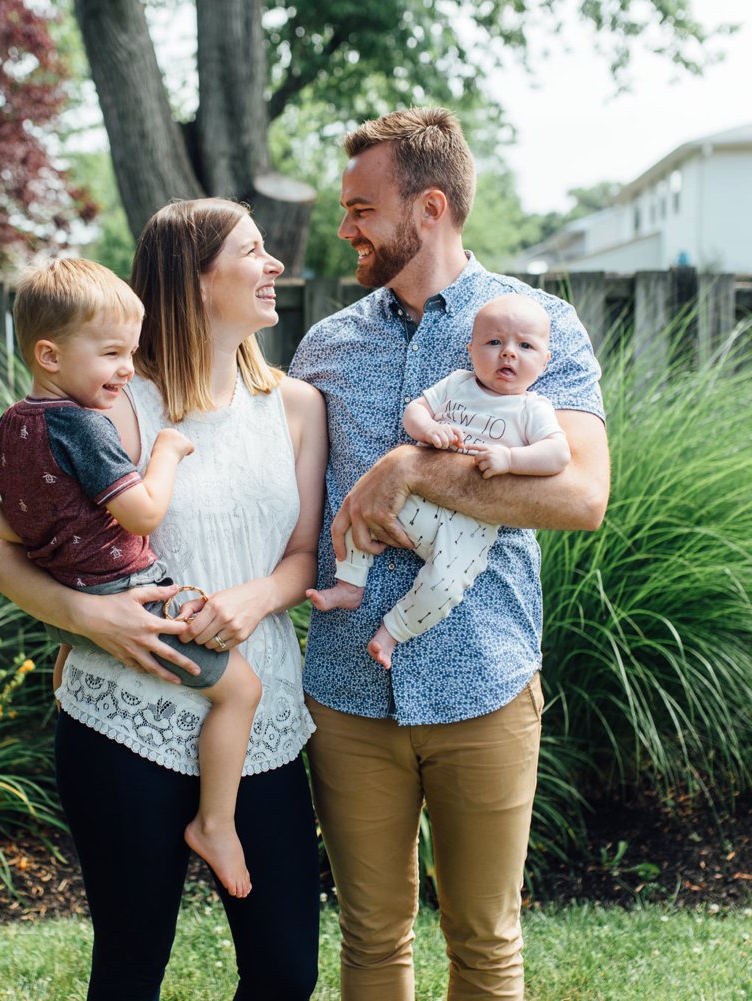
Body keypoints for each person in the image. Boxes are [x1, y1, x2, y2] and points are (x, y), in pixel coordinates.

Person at [287, 107, 610, 1000]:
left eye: (361, 208)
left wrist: (412, 467)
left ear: (429, 208)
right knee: (370, 940)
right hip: (347, 690)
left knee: (485, 943)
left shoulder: (541, 328)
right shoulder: (326, 346)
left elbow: (580, 496)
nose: (344, 227)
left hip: (485, 679)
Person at [0, 199, 328, 1001]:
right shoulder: (107, 401)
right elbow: (8, 557)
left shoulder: (295, 406)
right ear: (198, 280)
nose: (275, 263)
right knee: (131, 968)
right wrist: (90, 616)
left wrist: (253, 598)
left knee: (286, 972)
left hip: (258, 714)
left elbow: (304, 554)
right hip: (123, 717)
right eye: (254, 250)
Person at [0, 257, 263, 898]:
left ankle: (74, 675)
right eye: (113, 354)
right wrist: (168, 452)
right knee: (242, 692)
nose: (126, 369)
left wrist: (45, 537)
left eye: (132, 353)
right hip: (127, 594)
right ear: (50, 354)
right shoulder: (82, 424)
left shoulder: (12, 423)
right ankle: (216, 822)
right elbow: (144, 510)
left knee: (74, 673)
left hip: (77, 603)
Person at [305, 293, 569, 668]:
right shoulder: (458, 384)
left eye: (525, 346)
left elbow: (557, 453)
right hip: (419, 505)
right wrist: (428, 429)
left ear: (544, 361)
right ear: (471, 349)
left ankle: (392, 633)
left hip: (472, 524)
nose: (508, 353)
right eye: (494, 343)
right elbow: (416, 410)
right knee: (364, 505)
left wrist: (510, 458)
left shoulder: (531, 408)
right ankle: (349, 584)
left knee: (445, 584)